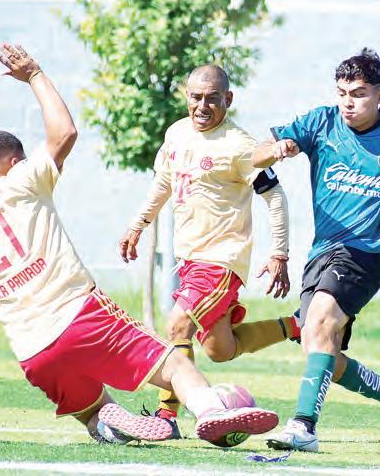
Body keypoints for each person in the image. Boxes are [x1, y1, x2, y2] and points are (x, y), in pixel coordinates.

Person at [0, 44, 280, 446]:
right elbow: (65, 133)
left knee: (90, 406)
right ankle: (213, 410)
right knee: (176, 366)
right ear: (14, 163)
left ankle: (103, 423)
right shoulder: (22, 181)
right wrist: (34, 75)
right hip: (80, 316)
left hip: (32, 353)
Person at [253, 49, 380, 452]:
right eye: (342, 93)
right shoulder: (321, 122)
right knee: (320, 347)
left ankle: (303, 427)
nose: (348, 102)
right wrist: (276, 150)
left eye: (359, 93)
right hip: (322, 252)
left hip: (364, 252)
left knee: (318, 324)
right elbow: (257, 154)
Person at [120, 64, 299, 438]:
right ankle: (297, 325)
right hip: (189, 260)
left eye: (212, 99)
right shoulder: (176, 133)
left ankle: (167, 417)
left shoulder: (240, 145)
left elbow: (275, 196)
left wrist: (279, 253)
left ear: (228, 99)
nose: (202, 106)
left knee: (177, 325)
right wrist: (137, 224)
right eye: (196, 97)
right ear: (186, 96)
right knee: (220, 349)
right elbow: (163, 183)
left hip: (221, 260)